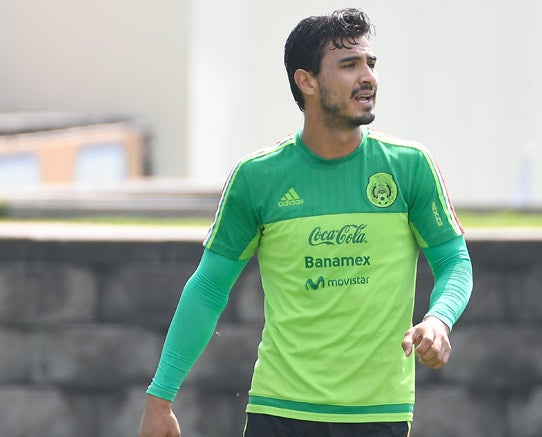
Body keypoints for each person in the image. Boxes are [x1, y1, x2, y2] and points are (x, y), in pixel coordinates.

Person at [139, 7, 472, 437]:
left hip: (377, 414)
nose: (367, 76)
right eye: (349, 65)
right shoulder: (257, 178)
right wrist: (160, 398)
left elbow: (455, 262)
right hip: (279, 411)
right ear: (307, 81)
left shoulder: (410, 167)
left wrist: (439, 319)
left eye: (370, 63)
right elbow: (207, 289)